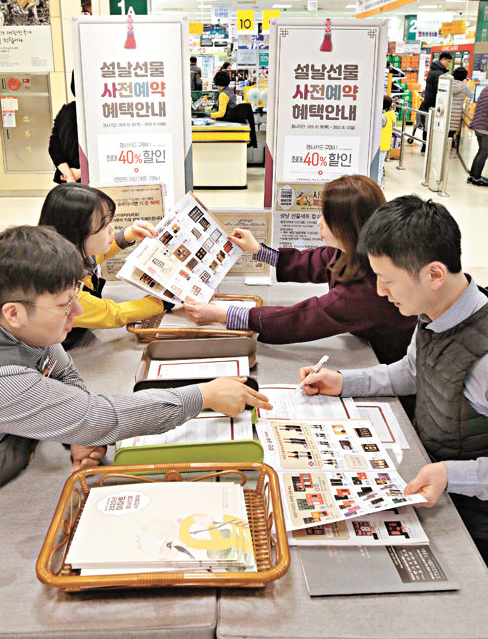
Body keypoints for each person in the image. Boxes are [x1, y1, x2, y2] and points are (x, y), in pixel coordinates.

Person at [0, 225, 271, 564]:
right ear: (14, 313)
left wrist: (76, 435)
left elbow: (62, 372)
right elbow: (100, 417)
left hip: (11, 467)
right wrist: (202, 396)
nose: (76, 313)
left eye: (76, 297)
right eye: (63, 305)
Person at [297, 195, 488, 564]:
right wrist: (343, 381)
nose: (382, 292)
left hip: (471, 522)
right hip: (432, 478)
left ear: (434, 274)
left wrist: (454, 475)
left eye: (388, 281)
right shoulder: (435, 311)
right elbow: (413, 371)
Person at [184, 175, 416, 365]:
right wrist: (257, 250)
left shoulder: (365, 291)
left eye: (325, 218)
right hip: (363, 348)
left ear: (347, 227)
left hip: (385, 363)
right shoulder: (354, 251)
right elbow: (310, 261)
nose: (318, 223)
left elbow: (299, 319)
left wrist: (219, 314)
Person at [38, 183, 165, 348]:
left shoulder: (68, 253)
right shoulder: (62, 288)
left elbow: (98, 254)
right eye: (104, 225)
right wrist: (163, 301)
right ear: (77, 233)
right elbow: (114, 314)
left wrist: (128, 235)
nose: (112, 229)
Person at [412, 51, 453, 152]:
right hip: (433, 104)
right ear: (442, 60)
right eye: (447, 61)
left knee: (427, 126)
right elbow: (438, 91)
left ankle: (425, 146)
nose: (448, 63)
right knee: (430, 126)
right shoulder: (439, 74)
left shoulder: (433, 70)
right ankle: (427, 147)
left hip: (427, 103)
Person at [48, 72, 80, 184]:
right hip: (95, 183)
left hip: (67, 182)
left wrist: (70, 176)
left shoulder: (65, 112)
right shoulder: (106, 113)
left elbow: (54, 148)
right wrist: (81, 173)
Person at [467, 84, 488, 187]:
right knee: (484, 153)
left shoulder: (485, 89)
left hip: (478, 126)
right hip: (485, 128)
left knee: (480, 151)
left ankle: (471, 175)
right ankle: (477, 178)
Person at [449, 67, 472, 153]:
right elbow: (471, 96)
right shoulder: (464, 86)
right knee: (451, 134)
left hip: (446, 112)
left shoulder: (449, 84)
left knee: (444, 133)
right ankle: (449, 150)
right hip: (456, 114)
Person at [379, 95, 395, 188]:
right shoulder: (390, 115)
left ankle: (378, 185)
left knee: (379, 167)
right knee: (380, 166)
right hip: (384, 144)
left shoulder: (383, 117)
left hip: (380, 144)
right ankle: (382, 183)